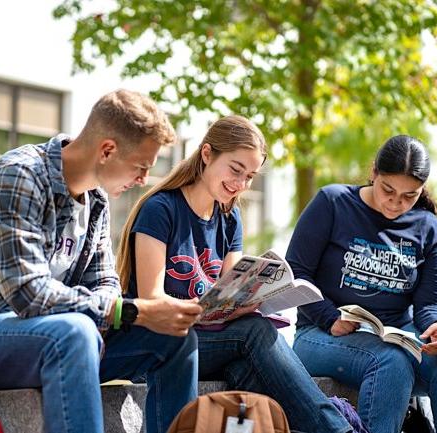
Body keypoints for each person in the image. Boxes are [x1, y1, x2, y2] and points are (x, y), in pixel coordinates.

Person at [0, 89, 203, 433]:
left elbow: (105, 281)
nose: (143, 181)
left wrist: (145, 315)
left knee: (175, 337)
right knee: (75, 332)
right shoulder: (19, 176)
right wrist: (129, 310)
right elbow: (29, 294)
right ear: (107, 150)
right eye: (140, 167)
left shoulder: (96, 201)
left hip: (62, 338)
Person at [117, 115, 355, 433]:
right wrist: (205, 310)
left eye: (250, 176)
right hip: (162, 342)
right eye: (235, 170)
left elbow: (230, 290)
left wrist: (246, 302)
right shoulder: (162, 210)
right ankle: (338, 430)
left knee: (247, 366)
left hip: (211, 340)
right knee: (254, 333)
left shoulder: (230, 218)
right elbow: (152, 302)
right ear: (206, 155)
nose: (241, 184)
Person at [286, 135, 437, 433]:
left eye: (409, 195)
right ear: (374, 172)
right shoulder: (333, 203)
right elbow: (295, 272)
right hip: (321, 334)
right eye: (388, 189)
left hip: (397, 334)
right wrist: (329, 317)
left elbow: (429, 304)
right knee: (392, 361)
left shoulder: (428, 228)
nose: (396, 202)